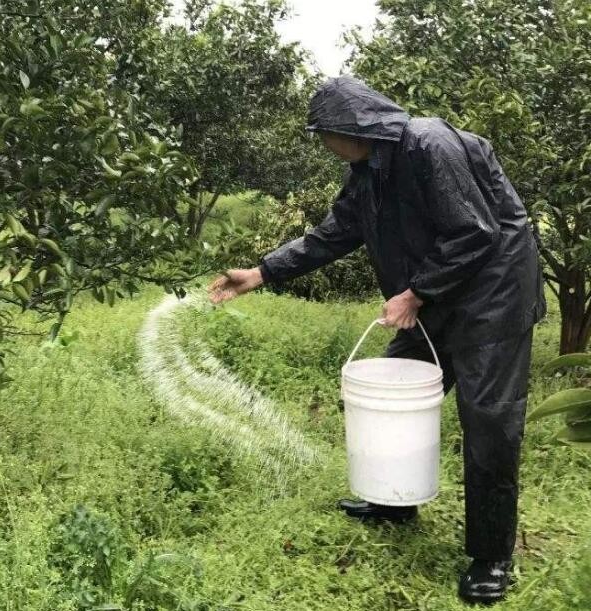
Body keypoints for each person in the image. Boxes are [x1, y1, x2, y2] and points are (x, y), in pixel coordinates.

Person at [208, 75, 546, 605]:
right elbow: (335, 232)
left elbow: (475, 232)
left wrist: (415, 293)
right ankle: (394, 501)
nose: (325, 145)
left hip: (491, 298)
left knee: (489, 423)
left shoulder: (430, 144)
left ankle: (492, 557)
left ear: (352, 127)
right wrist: (262, 272)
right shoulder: (366, 171)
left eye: (325, 134)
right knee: (395, 392)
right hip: (433, 292)